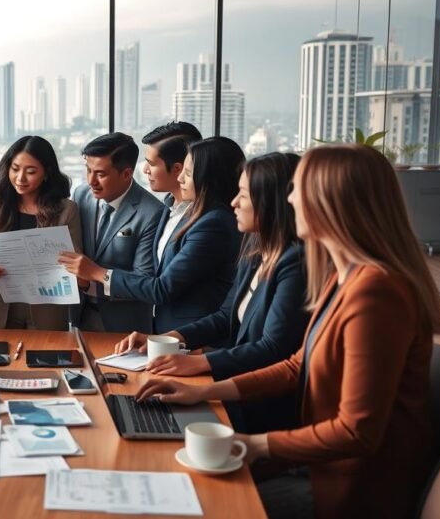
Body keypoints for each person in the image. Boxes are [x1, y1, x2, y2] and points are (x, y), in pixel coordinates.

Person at [136, 144, 440, 519]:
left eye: (297, 189)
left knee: (198, 505)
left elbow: (357, 432)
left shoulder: (376, 291)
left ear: (328, 201)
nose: (291, 199)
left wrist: (254, 445)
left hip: (348, 485)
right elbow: (297, 366)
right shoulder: (343, 278)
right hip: (315, 464)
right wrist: (202, 390)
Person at [115, 152, 307, 433]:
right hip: (234, 391)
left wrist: (197, 362)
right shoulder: (255, 249)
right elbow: (226, 315)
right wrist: (168, 338)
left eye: (243, 194)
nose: (234, 202)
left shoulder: (294, 263)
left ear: (271, 202)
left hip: (261, 405)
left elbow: (272, 348)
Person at [60, 136, 244, 334]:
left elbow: (161, 287)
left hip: (190, 334)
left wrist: (96, 272)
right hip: (160, 329)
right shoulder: (172, 208)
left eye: (187, 173)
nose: (180, 177)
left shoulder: (211, 223)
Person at [66, 132, 165, 333]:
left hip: (125, 327)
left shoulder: (153, 212)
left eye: (100, 174)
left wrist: (91, 281)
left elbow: (144, 280)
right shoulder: (81, 195)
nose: (91, 181)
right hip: (78, 317)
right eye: (88, 170)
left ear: (127, 174)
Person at [0, 135, 82, 330]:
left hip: (49, 312)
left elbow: (76, 263)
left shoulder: (67, 210)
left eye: (30, 171)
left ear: (46, 173)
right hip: (5, 310)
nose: (20, 178)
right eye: (15, 169)